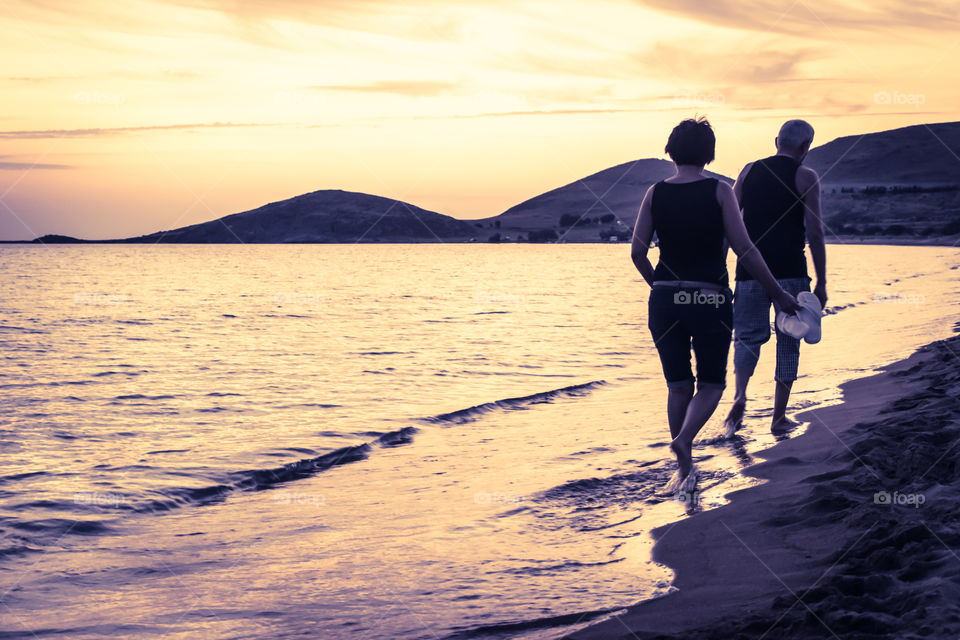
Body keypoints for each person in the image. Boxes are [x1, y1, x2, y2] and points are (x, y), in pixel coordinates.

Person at [632, 117, 801, 487]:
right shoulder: (720, 191)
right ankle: (683, 442)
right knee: (711, 384)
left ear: (670, 150)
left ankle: (684, 469)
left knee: (678, 385)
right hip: (709, 298)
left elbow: (637, 253)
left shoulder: (654, 193)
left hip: (665, 300)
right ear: (709, 154)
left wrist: (659, 288)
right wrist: (777, 293)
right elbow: (745, 249)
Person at [722, 120, 827, 434]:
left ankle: (740, 395)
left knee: (747, 337)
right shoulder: (806, 176)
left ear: (776, 141)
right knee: (789, 341)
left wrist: (719, 270)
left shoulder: (748, 171)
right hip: (790, 270)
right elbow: (815, 232)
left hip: (749, 271)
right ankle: (778, 417)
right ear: (805, 147)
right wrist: (822, 282)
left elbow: (728, 222)